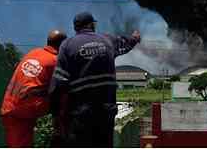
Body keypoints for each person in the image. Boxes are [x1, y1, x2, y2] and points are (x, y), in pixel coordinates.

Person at [49, 12, 141, 147]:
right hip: (106, 111)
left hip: (81, 113)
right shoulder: (108, 40)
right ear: (92, 25)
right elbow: (126, 43)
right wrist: (135, 38)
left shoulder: (67, 45)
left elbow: (59, 82)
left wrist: (55, 114)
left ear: (75, 28)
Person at [0, 30, 67, 147]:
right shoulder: (55, 61)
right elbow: (61, 88)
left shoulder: (34, 52)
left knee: (17, 143)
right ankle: (61, 133)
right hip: (27, 107)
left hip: (9, 104)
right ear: (63, 45)